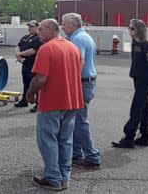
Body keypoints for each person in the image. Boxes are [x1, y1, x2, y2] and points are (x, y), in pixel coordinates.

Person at [26, 18, 83, 191]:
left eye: (41, 29)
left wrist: (29, 94)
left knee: (47, 139)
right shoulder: (72, 47)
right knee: (65, 140)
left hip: (52, 101)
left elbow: (40, 79)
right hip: (72, 100)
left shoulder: (46, 48)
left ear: (51, 30)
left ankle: (52, 177)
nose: (39, 32)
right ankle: (64, 177)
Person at [61, 12, 101, 170]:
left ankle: (92, 156)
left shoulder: (78, 39)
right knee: (76, 121)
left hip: (81, 84)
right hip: (87, 83)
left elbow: (78, 63)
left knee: (79, 122)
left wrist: (68, 84)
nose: (62, 27)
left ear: (73, 24)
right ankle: (76, 155)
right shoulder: (83, 36)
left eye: (64, 24)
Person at [112, 19, 148, 148]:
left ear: (139, 29)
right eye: (129, 28)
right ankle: (145, 136)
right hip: (138, 80)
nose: (129, 30)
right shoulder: (135, 44)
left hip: (146, 82)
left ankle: (128, 137)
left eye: (132, 28)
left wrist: (147, 82)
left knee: (136, 108)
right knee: (143, 108)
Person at [14, 20, 42, 111]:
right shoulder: (25, 37)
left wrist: (20, 53)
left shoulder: (38, 38)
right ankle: (24, 101)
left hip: (34, 64)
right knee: (26, 83)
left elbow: (33, 50)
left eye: (32, 26)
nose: (30, 28)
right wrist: (18, 55)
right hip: (25, 64)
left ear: (37, 28)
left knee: (36, 84)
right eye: (29, 26)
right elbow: (18, 46)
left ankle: (38, 103)